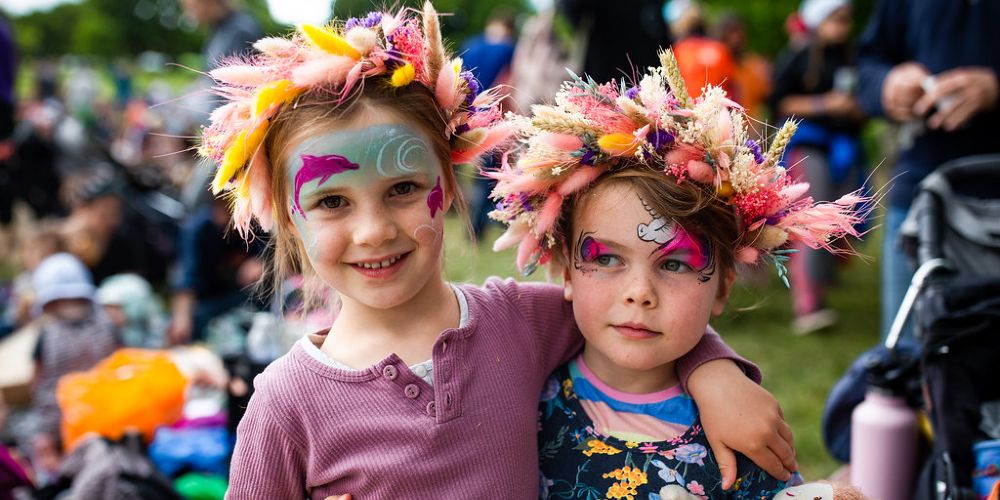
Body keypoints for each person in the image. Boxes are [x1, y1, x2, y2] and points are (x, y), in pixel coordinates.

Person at [200, 5, 795, 497]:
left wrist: (714, 372)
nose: (374, 230)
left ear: (450, 180)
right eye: (332, 202)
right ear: (284, 215)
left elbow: (631, 309)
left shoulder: (518, 322)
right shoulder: (286, 408)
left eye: (403, 189)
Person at [488, 50, 869, 498]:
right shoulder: (517, 398)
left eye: (674, 264)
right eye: (607, 259)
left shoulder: (740, 431)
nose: (639, 293)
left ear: (724, 287)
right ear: (565, 271)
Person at [854, 0, 1000, 342]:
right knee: (908, 359)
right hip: (921, 202)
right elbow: (868, 63)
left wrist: (995, 86)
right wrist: (887, 85)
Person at [771, 0, 866, 334]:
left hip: (843, 148)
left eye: (847, 19)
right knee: (812, 219)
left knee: (838, 222)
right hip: (808, 145)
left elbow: (867, 105)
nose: (844, 26)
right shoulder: (799, 56)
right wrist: (824, 104)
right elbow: (778, 100)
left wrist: (855, 110)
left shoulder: (854, 57)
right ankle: (807, 305)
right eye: (837, 18)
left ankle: (821, 289)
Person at [28, 252, 120, 483]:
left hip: (95, 426)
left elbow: (39, 387)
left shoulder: (47, 335)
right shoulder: (108, 324)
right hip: (98, 426)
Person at [458, 10, 516, 240]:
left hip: (465, 114)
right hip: (493, 115)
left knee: (463, 170)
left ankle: (456, 216)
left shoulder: (470, 44)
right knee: (490, 174)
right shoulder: (510, 49)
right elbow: (509, 84)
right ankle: (479, 227)